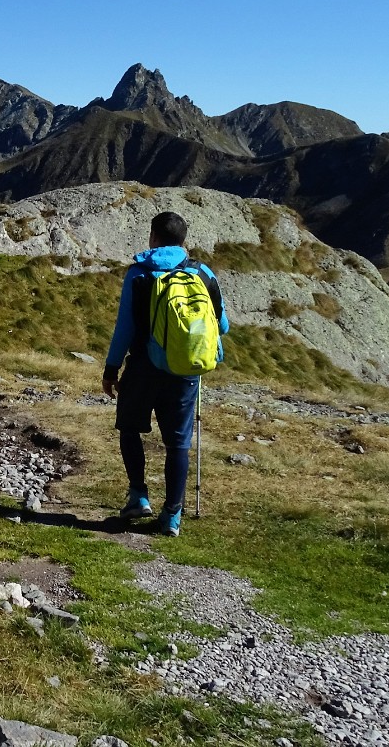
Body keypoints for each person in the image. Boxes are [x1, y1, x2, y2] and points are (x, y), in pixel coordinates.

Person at [102, 211, 229, 537]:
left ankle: (139, 495)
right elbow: (222, 325)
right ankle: (172, 515)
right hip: (185, 370)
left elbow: (125, 328)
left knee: (129, 428)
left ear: (153, 237)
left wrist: (111, 368)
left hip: (145, 366)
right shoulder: (202, 272)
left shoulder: (140, 274)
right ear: (183, 240)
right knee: (178, 443)